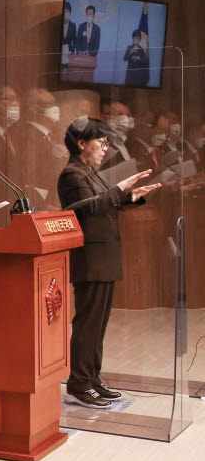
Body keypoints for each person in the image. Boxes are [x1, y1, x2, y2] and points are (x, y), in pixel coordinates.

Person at [57, 117, 160, 408]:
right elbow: (85, 209)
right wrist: (119, 189)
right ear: (81, 144)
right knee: (87, 323)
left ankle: (92, 377)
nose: (104, 148)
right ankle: (78, 383)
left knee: (99, 323)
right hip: (90, 257)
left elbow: (103, 202)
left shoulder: (91, 172)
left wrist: (131, 197)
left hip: (104, 256)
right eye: (100, 143)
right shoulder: (72, 174)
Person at [61, 1, 76, 67]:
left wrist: (71, 51)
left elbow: (75, 41)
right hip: (59, 53)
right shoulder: (59, 23)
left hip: (68, 54)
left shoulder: (73, 25)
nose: (66, 13)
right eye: (65, 11)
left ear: (70, 13)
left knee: (66, 73)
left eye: (68, 11)